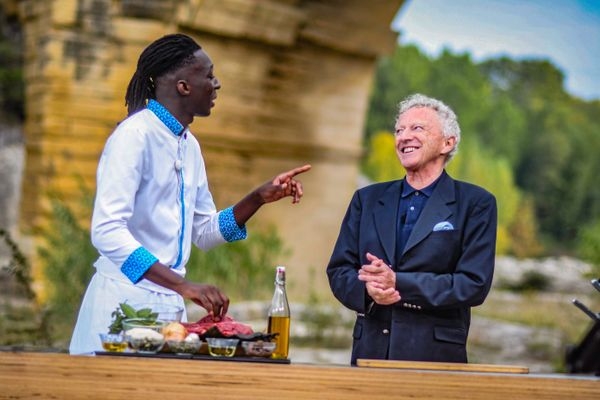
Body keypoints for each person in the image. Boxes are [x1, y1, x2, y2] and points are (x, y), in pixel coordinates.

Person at [70, 33, 311, 355]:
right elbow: (106, 231)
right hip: (122, 302)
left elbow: (204, 233)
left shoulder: (189, 144)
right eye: (209, 75)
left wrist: (257, 198)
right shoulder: (134, 136)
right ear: (183, 86)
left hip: (169, 307)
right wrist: (182, 285)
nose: (217, 84)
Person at [327, 93, 496, 365]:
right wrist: (369, 292)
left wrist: (399, 283)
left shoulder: (476, 203)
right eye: (399, 130)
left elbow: (473, 284)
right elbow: (338, 270)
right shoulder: (366, 199)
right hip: (369, 355)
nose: (403, 136)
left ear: (447, 142)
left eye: (417, 128)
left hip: (436, 359)